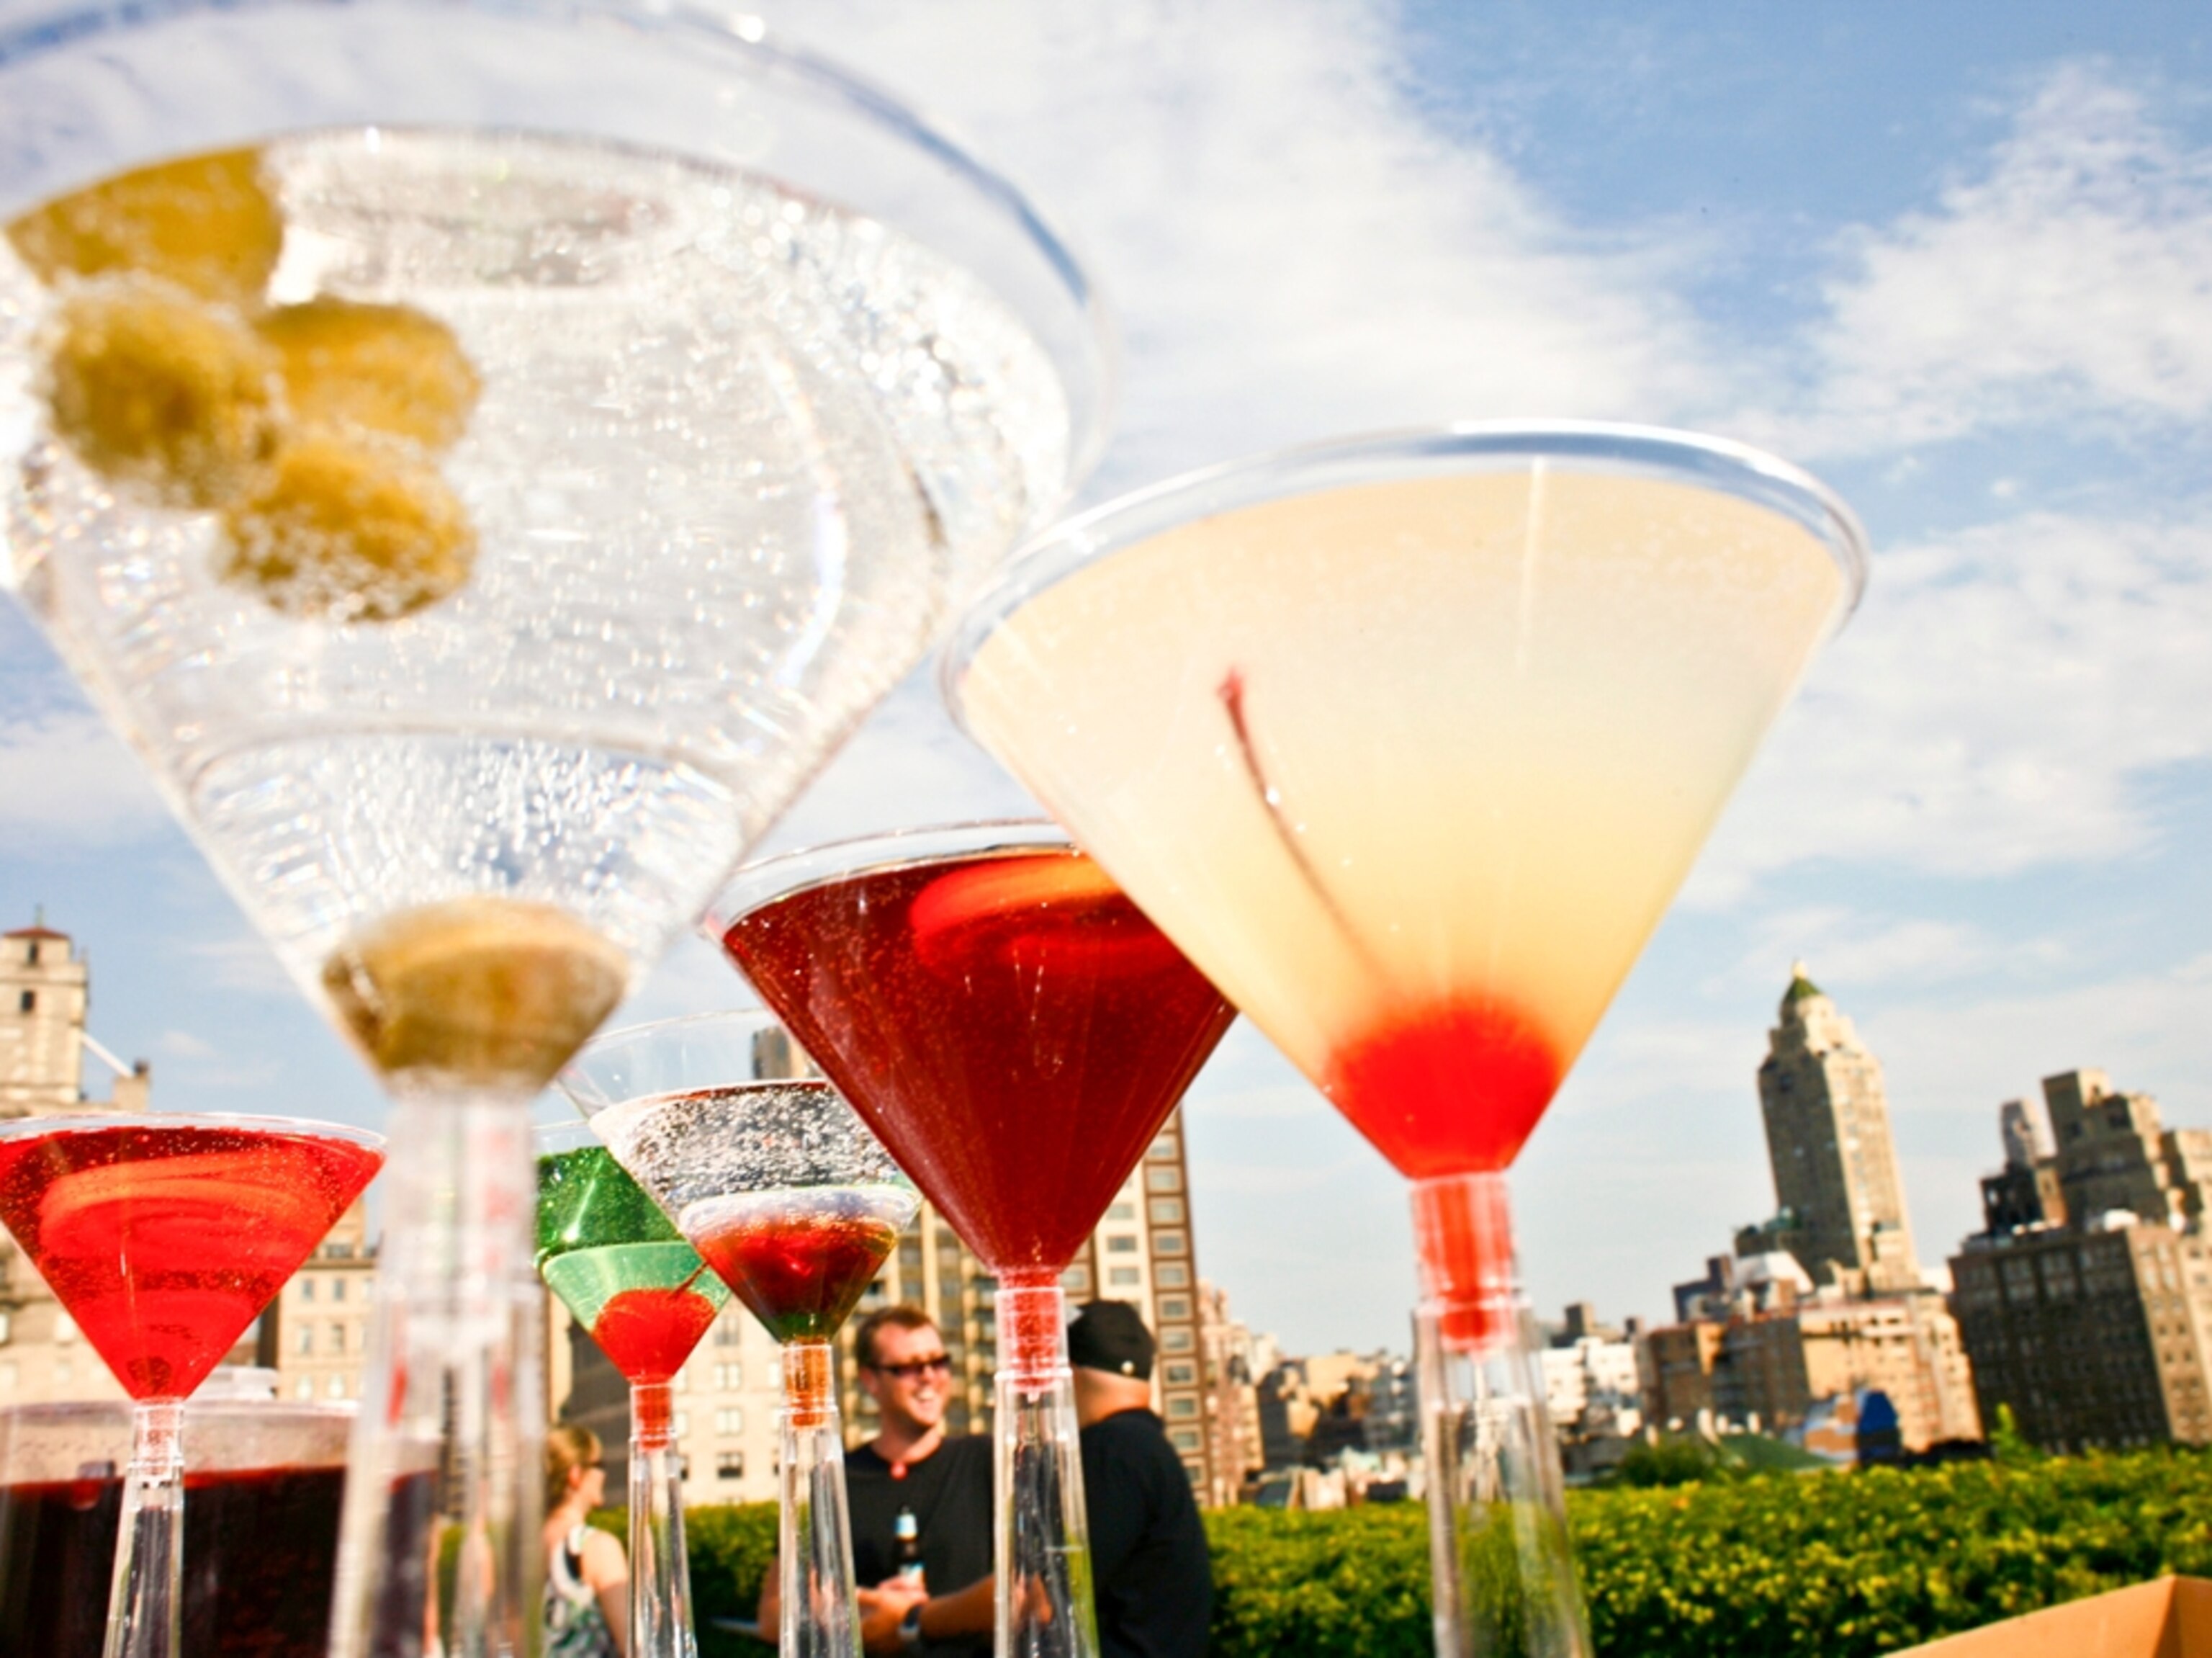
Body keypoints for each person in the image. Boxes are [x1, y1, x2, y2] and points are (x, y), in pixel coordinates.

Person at [757, 1306, 994, 1654]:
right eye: (908, 1368)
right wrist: (856, 1609)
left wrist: (912, 1618)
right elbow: (772, 1614)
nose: (928, 1376)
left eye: (938, 1362)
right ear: (870, 1380)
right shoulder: (833, 1481)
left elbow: (1030, 1587)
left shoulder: (984, 1461)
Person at [1070, 1299, 1213, 1658]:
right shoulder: (1144, 1446)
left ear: (1071, 1373)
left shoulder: (1110, 1450)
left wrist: (921, 1619)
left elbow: (1045, 1595)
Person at [542, 1422, 628, 1658]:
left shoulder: (519, 1552)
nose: (604, 1475)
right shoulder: (596, 1548)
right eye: (599, 1465)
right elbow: (635, 1646)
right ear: (576, 1475)